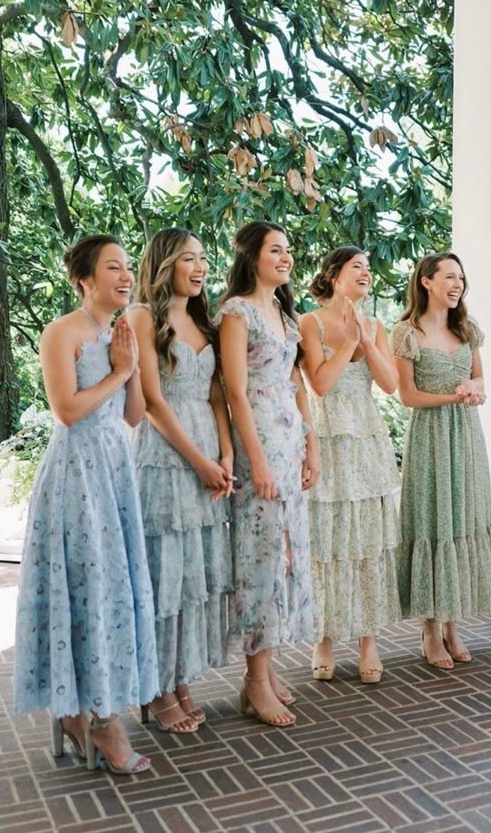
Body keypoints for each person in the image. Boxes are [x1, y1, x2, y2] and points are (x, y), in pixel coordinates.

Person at [13, 235, 158, 775]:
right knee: (86, 588)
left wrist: (134, 363)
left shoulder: (116, 332)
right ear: (84, 279)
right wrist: (118, 371)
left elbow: (135, 415)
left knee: (114, 588)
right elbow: (67, 410)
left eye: (127, 268)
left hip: (115, 468)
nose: (124, 276)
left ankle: (91, 709)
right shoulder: (62, 331)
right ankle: (93, 716)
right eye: (112, 268)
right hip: (75, 474)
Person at [128, 228, 235, 733]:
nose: (199, 268)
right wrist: (198, 460)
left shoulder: (202, 321)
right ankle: (156, 687)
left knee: (194, 571)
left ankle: (179, 678)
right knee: (164, 571)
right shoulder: (141, 317)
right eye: (188, 258)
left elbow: (218, 398)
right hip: (167, 457)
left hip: (209, 457)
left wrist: (227, 453)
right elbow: (151, 401)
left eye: (203, 259)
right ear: (165, 262)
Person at [215, 220, 320, 726]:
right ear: (251, 256)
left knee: (285, 555)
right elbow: (235, 392)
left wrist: (311, 447)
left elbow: (296, 382)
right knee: (260, 558)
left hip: (289, 441)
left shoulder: (283, 312)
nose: (285, 257)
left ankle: (269, 667)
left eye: (288, 250)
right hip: (259, 446)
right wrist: (255, 462)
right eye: (275, 250)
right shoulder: (237, 312)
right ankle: (254, 680)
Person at [391, 252, 491, 670]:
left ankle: (453, 623)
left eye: (461, 278)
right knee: (434, 521)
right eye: (449, 277)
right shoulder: (406, 332)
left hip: (466, 438)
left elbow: (480, 380)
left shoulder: (467, 329)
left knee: (461, 520)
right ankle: (430, 627)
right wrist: (454, 397)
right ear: (426, 281)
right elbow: (407, 396)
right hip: (431, 437)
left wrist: (475, 390)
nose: (457, 284)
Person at [300, 247, 401, 684]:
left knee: (367, 540)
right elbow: (319, 384)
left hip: (367, 439)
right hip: (327, 436)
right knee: (327, 541)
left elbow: (391, 383)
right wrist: (350, 344)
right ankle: (323, 637)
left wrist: (367, 339)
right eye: (355, 267)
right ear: (334, 276)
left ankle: (367, 638)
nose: (365, 272)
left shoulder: (377, 324)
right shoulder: (310, 321)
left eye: (367, 267)